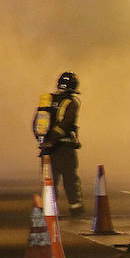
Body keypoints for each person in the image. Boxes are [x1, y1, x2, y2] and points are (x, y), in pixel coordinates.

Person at [34, 71, 84, 216]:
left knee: (49, 181)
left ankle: (50, 210)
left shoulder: (47, 101)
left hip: (46, 149)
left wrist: (44, 141)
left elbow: (36, 122)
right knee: (70, 178)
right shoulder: (71, 102)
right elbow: (67, 122)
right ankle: (76, 208)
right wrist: (54, 139)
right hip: (64, 148)